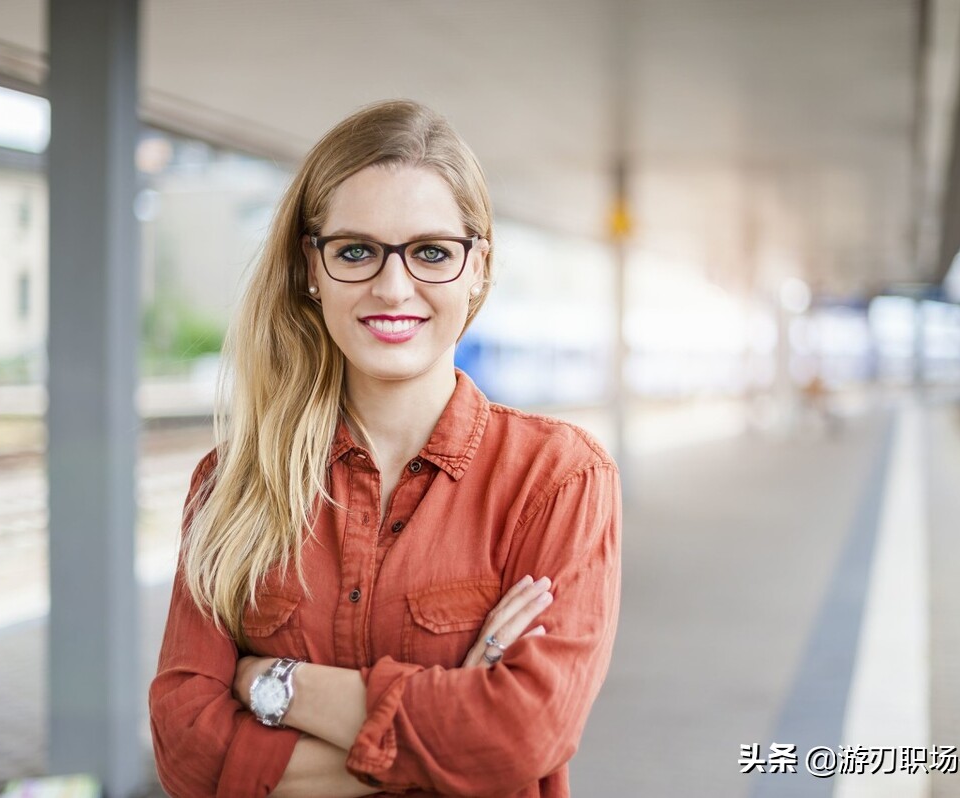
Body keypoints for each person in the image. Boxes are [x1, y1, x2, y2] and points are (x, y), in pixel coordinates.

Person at [148, 99, 622, 798]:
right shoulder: (230, 485)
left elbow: (522, 736)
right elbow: (186, 750)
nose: (393, 286)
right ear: (312, 265)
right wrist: (447, 728)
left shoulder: (558, 479)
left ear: (477, 267)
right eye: (356, 251)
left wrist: (272, 685)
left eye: (431, 252)